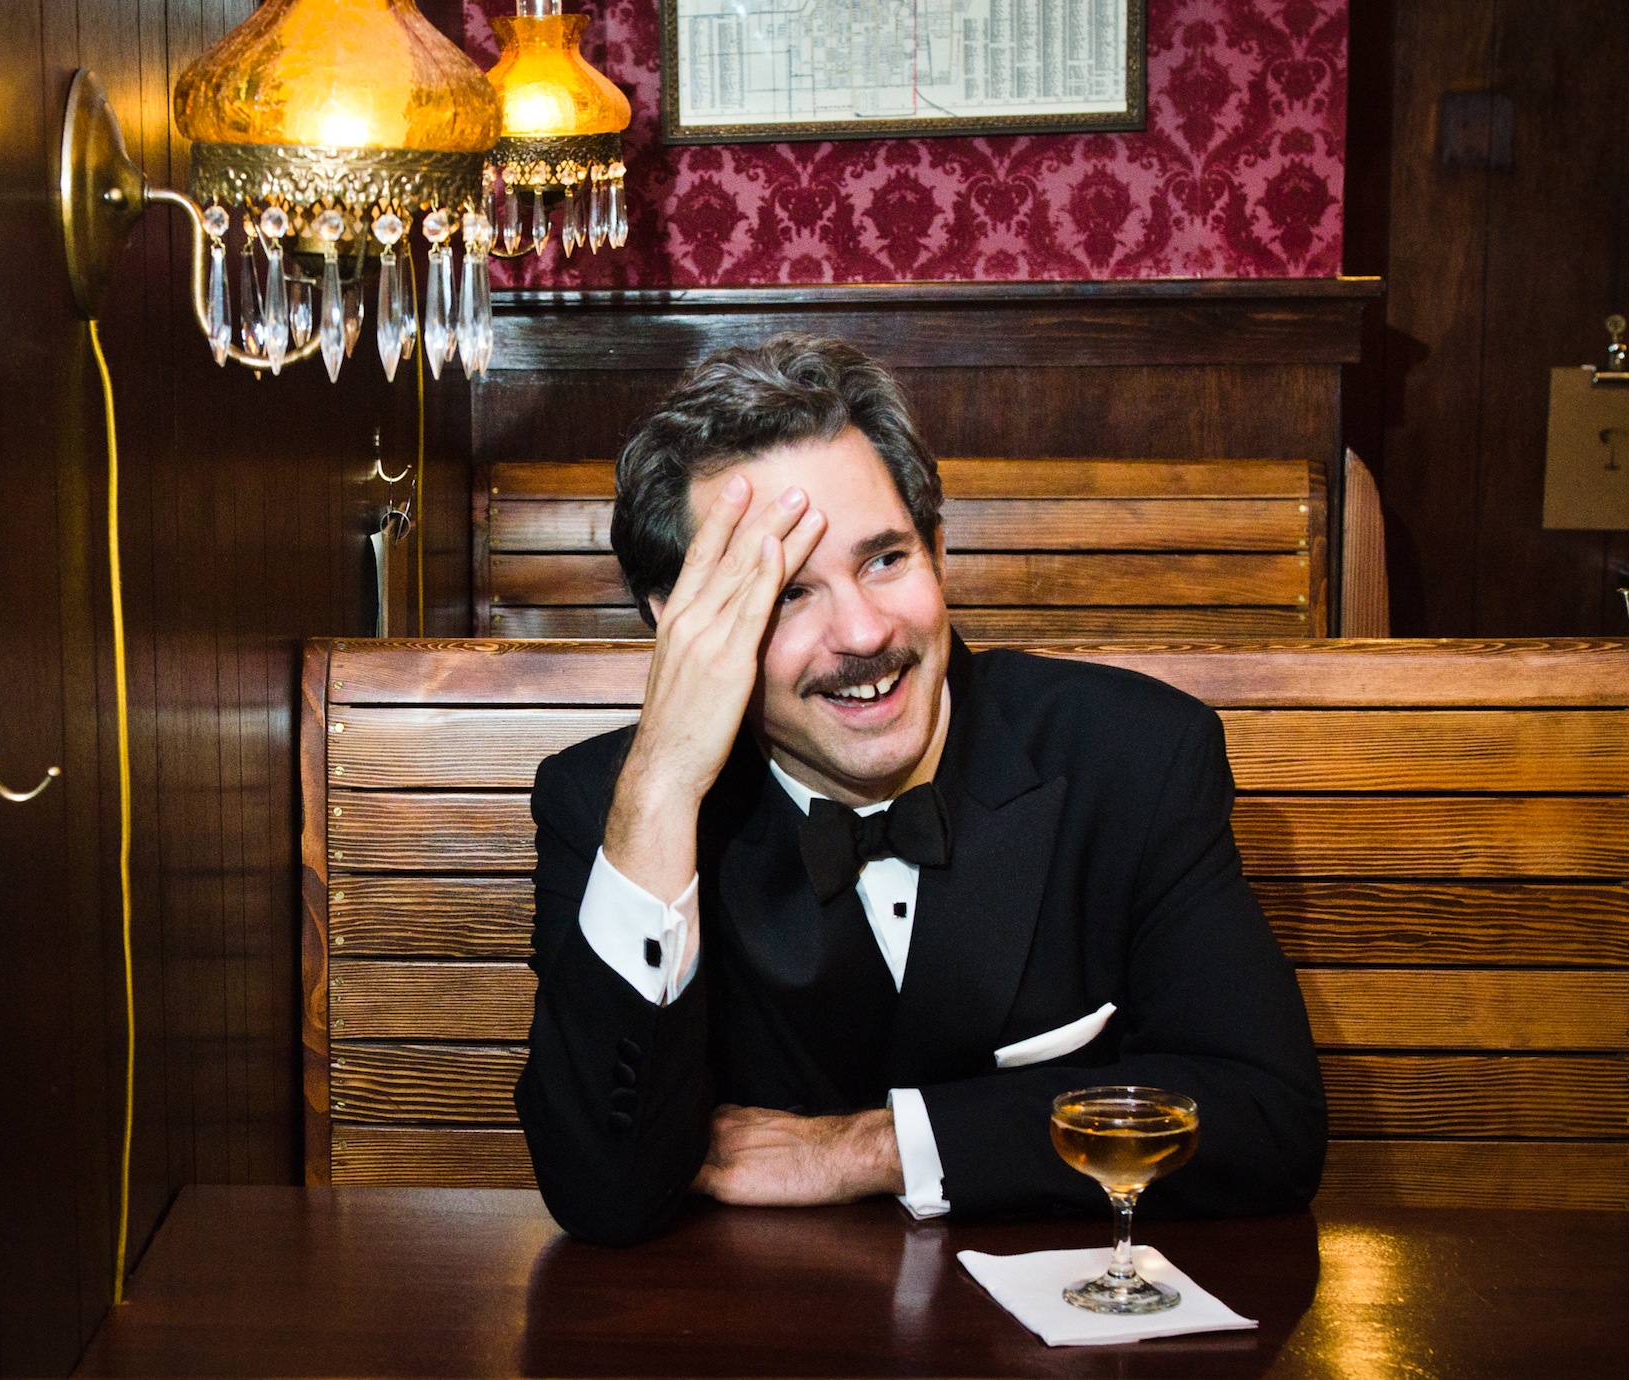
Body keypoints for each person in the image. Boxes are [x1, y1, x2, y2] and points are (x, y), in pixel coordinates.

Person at [514, 334, 1325, 1246]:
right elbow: (604, 1192)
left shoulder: (1134, 755)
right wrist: (663, 786)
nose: (863, 633)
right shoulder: (607, 806)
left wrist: (875, 1147)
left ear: (937, 552)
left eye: (884, 560)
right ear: (681, 626)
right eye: (784, 593)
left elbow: (1265, 1120)